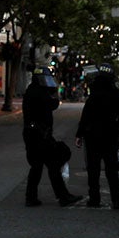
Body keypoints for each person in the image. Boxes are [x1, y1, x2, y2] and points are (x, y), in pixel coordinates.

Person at [22, 66, 82, 207]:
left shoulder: (31, 91)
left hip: (34, 134)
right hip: (39, 135)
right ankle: (62, 196)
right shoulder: (39, 93)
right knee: (52, 164)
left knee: (38, 166)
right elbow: (53, 104)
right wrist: (54, 93)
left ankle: (33, 197)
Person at [76, 63, 119, 209]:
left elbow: (85, 115)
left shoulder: (94, 94)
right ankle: (116, 199)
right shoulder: (115, 94)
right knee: (111, 169)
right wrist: (117, 126)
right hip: (109, 135)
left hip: (92, 135)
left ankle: (94, 199)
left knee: (93, 169)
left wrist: (79, 134)